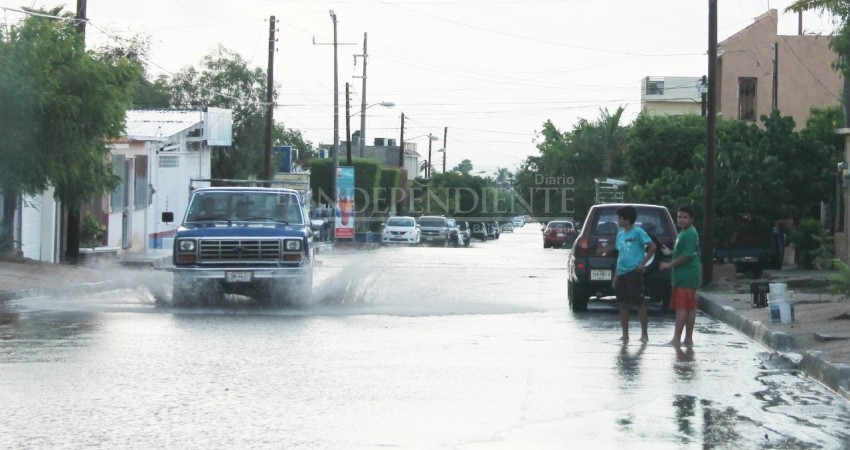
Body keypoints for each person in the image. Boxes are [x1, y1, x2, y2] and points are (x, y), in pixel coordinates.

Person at [612, 206, 656, 342]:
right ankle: (625, 334)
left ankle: (644, 335)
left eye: (620, 218)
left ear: (628, 219)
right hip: (621, 272)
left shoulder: (638, 232)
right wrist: (615, 276)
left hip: (634, 272)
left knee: (639, 303)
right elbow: (619, 256)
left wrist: (643, 263)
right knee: (623, 304)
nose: (618, 221)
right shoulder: (619, 235)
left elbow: (652, 247)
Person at [660, 204, 701, 346]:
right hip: (687, 274)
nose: (681, 220)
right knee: (689, 307)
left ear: (691, 219)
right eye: (679, 217)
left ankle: (676, 339)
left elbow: (687, 255)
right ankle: (688, 339)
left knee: (682, 307)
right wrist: (670, 253)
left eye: (685, 217)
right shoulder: (685, 232)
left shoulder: (689, 233)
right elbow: (685, 251)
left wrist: (669, 264)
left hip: (685, 275)